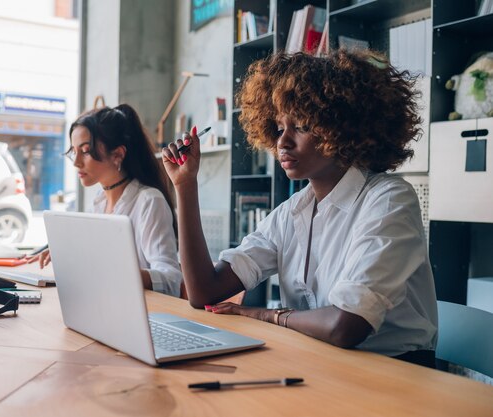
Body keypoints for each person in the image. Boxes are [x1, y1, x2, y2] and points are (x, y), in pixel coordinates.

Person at [162, 49, 438, 367]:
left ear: (345, 128)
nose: (283, 142)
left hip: (396, 373)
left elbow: (346, 326)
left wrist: (264, 315)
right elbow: (204, 292)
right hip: (321, 364)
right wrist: (185, 186)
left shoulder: (388, 200)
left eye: (302, 125)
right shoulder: (292, 212)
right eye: (279, 128)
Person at [30, 104, 183, 297]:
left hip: (143, 314)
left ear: (118, 154)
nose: (76, 162)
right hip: (107, 303)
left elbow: (171, 280)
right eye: (73, 151)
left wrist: (118, 274)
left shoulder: (149, 201)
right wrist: (69, 255)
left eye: (85, 151)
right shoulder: (100, 201)